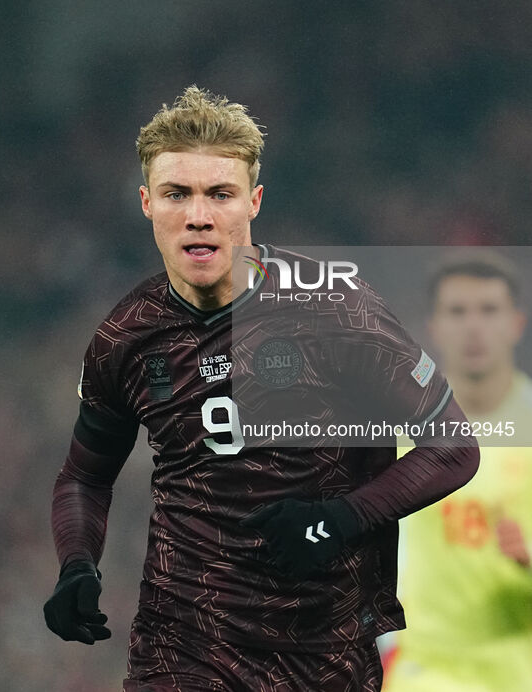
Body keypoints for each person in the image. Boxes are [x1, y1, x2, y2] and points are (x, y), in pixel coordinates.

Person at [43, 86, 479, 691]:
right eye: (177, 194)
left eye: (220, 194)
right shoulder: (126, 335)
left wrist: (338, 518)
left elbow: (454, 447)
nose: (199, 215)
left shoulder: (335, 310)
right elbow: (85, 477)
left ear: (254, 201)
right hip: (180, 649)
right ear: (147, 203)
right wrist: (76, 564)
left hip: (322, 653)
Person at [382, 253, 532, 692]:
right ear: (434, 327)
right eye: (457, 312)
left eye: (488, 311)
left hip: (520, 660)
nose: (473, 327)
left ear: (516, 323)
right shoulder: (398, 425)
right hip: (427, 666)